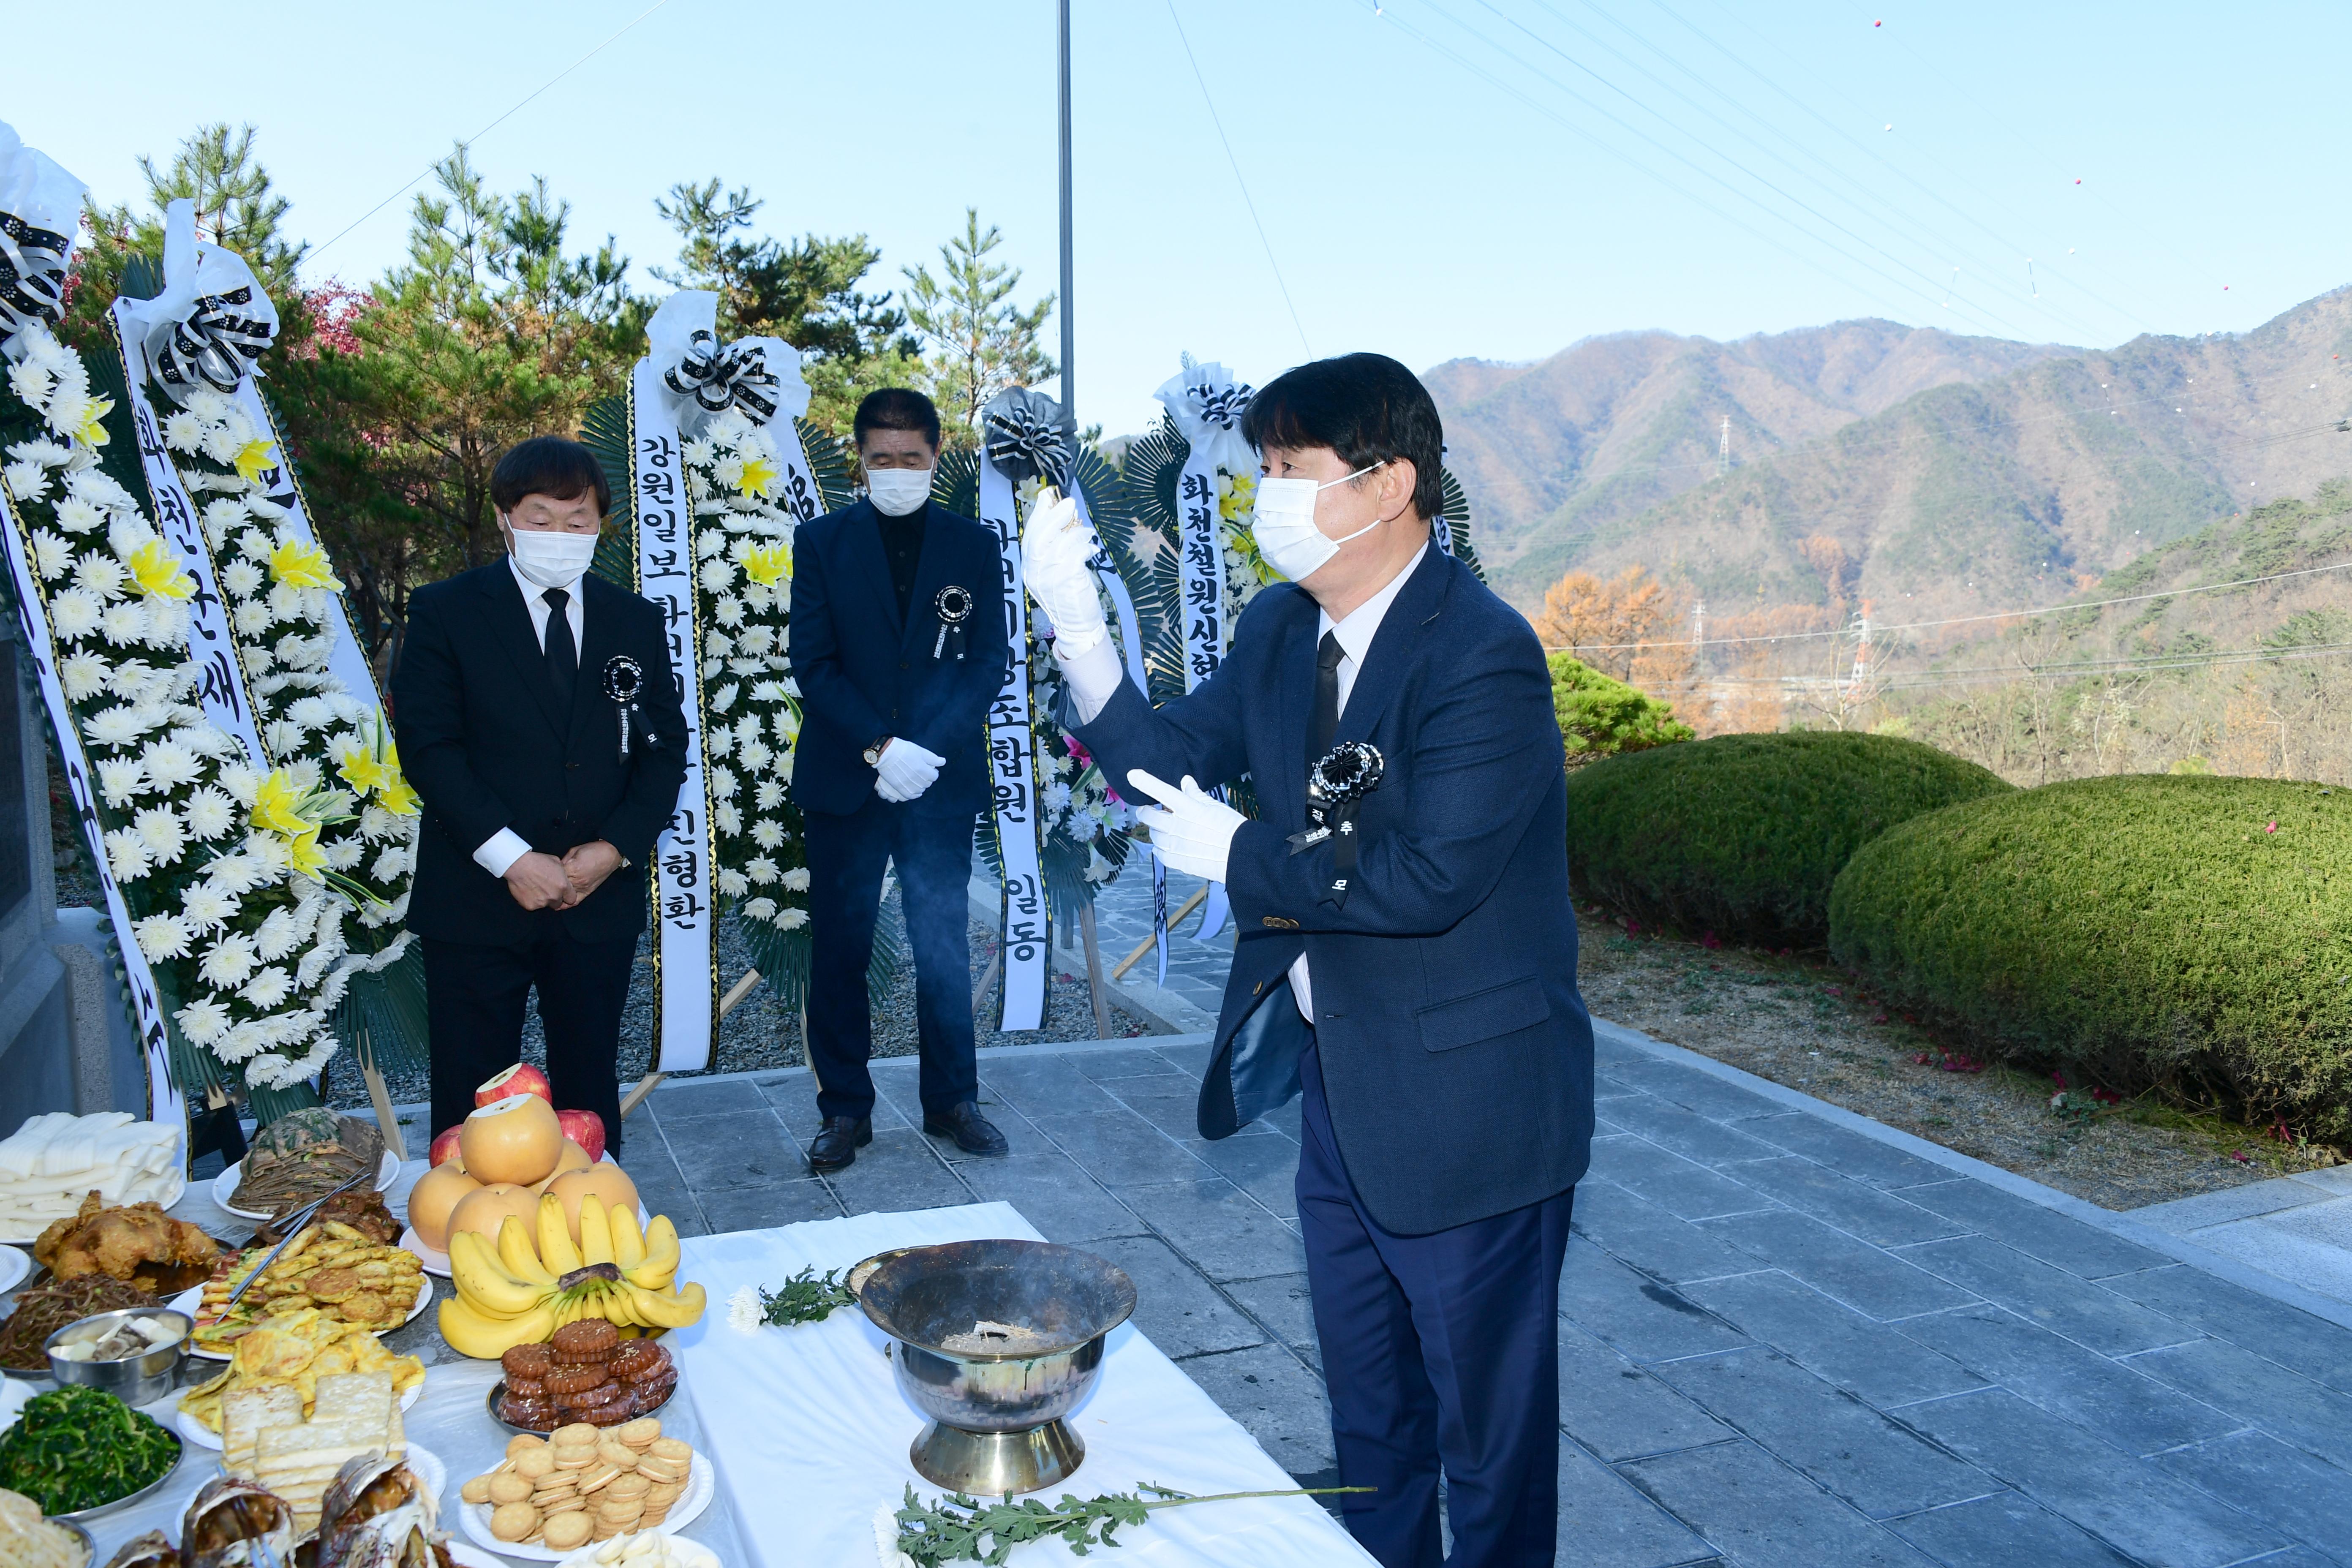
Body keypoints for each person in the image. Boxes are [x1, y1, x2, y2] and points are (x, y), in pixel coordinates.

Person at [1021, 354, 1592, 1568]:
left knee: (1488, 1443)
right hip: (1344, 1091)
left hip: (1472, 1109)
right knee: (1372, 1424)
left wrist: (1244, 853)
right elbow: (1165, 766)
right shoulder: (1285, 628)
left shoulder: (1480, 653)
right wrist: (1079, 632)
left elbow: (1433, 878)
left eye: (1292, 469)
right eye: (1263, 466)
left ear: (1388, 487)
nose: (1266, 493)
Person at [393, 436, 688, 1156]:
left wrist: (616, 850)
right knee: (472, 1093)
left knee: (588, 1086)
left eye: (578, 521)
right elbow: (430, 750)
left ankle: (592, 1227)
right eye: (542, 518)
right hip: (478, 895)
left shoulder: (634, 621)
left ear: (601, 525)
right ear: (504, 517)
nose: (560, 536)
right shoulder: (445, 612)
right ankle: (468, 1236)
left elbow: (665, 750)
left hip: (596, 901)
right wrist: (512, 858)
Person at [787, 388, 1013, 1170]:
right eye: (881, 459)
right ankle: (845, 1109)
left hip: (938, 784)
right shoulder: (821, 543)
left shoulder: (973, 546)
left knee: (942, 942)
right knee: (842, 947)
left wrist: (924, 753)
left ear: (935, 458)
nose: (896, 471)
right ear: (860, 461)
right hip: (848, 779)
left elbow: (988, 661)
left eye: (910, 459)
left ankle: (954, 1101)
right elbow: (811, 664)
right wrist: (882, 748)